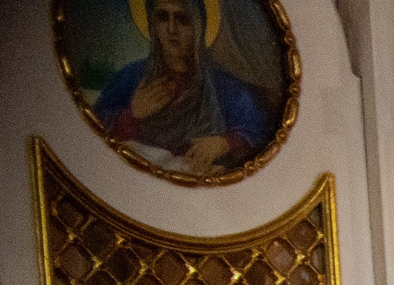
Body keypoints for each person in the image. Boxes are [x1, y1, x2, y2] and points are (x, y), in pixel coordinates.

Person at [89, 0, 274, 177]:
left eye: (183, 19)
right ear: (152, 24)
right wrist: (131, 115)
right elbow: (94, 129)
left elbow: (259, 130)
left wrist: (224, 143)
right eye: (162, 17)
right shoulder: (130, 77)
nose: (171, 29)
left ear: (199, 26)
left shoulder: (224, 86)